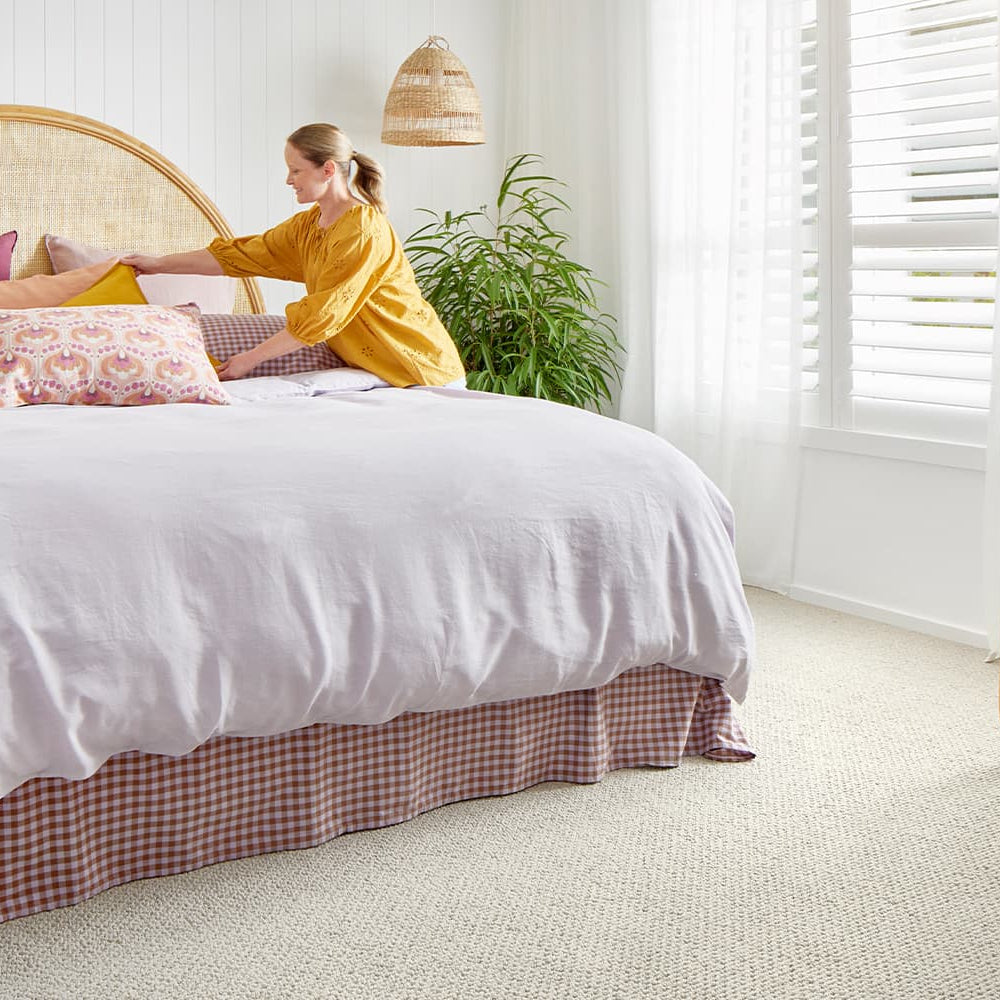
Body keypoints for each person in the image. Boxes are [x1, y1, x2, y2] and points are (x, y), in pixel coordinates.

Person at [122, 124, 466, 387]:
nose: (289, 180)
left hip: (422, 372)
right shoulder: (309, 226)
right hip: (381, 377)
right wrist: (157, 264)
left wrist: (249, 360)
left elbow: (323, 314)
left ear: (327, 170)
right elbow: (241, 256)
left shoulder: (361, 231)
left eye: (296, 170)